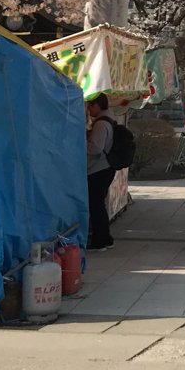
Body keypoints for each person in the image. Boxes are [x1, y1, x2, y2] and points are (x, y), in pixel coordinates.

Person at [84, 93, 116, 251]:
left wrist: (82, 143)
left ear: (97, 105)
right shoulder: (109, 119)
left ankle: (100, 240)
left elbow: (96, 148)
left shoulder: (101, 124)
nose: (89, 109)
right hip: (105, 168)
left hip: (98, 168)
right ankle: (106, 238)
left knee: (96, 206)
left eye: (90, 106)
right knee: (99, 205)